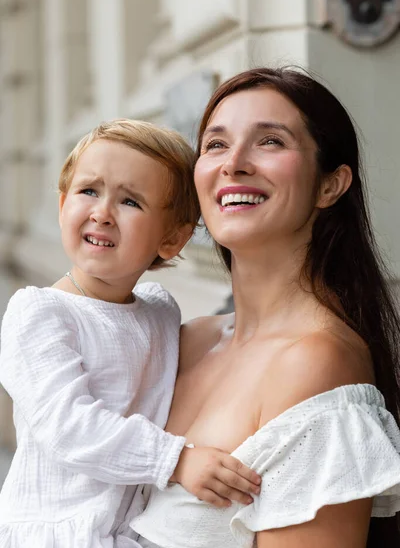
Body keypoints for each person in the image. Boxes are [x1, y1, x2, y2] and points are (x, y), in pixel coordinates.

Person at [130, 68, 400, 548]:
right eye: (215, 145)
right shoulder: (185, 339)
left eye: (270, 141)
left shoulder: (316, 361)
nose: (233, 163)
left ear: (330, 186)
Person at [0, 119, 261, 548]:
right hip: (58, 531)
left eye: (130, 201)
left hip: (131, 530)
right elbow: (68, 428)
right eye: (89, 191)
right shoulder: (41, 312)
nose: (102, 212)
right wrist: (176, 461)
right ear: (64, 204)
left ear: (172, 239)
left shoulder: (158, 311)